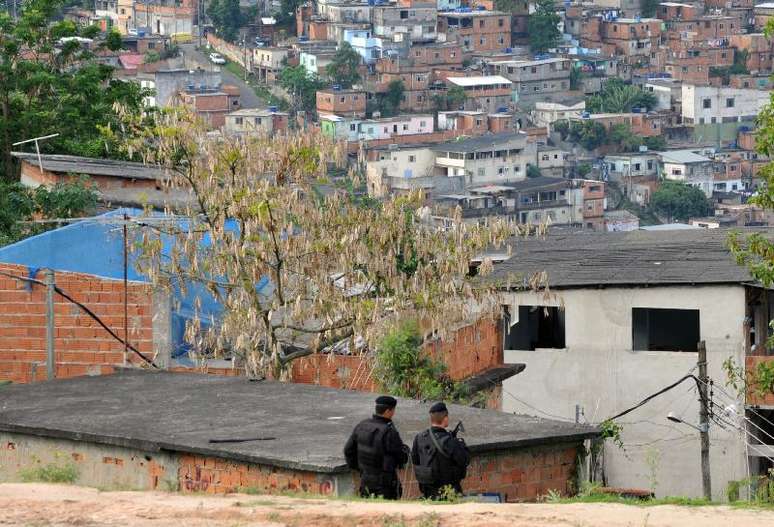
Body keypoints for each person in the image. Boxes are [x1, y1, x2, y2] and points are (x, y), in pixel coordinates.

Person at [344, 395, 409, 499]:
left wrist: (361, 469)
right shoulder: (389, 432)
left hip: (366, 481)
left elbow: (348, 451)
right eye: (393, 410)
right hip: (385, 485)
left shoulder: (362, 425)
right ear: (388, 411)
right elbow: (401, 457)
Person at [411, 402, 470, 499]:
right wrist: (461, 445)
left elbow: (415, 461)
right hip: (449, 492)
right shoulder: (450, 441)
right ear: (445, 418)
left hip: (428, 492)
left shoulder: (419, 438)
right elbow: (464, 460)